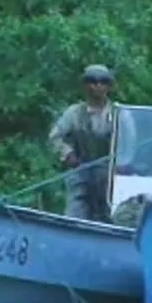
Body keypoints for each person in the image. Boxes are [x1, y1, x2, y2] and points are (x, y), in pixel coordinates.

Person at [49, 64, 137, 222]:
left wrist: (122, 164)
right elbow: (55, 136)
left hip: (110, 178)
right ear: (85, 85)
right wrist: (67, 154)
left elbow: (130, 145)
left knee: (117, 220)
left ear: (109, 86)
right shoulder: (73, 112)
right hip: (81, 172)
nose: (97, 86)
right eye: (92, 81)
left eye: (103, 82)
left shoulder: (121, 114)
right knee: (73, 219)